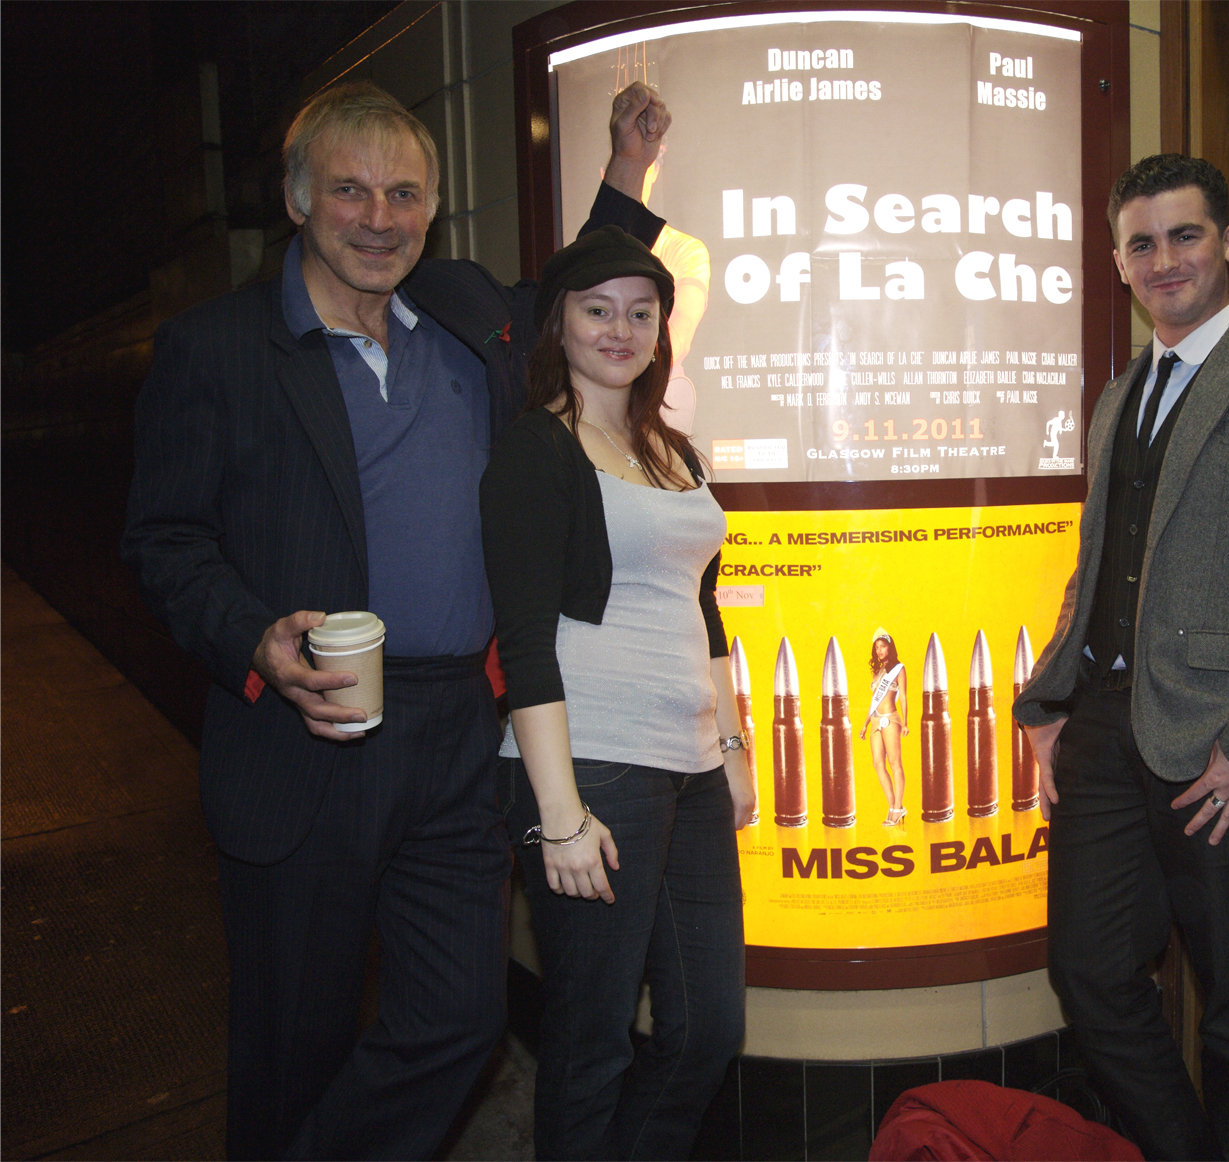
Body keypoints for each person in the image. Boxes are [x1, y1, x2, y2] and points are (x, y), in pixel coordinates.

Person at [121, 80, 671, 1159]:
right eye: (350, 191)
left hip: (457, 735)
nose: (379, 217)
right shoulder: (219, 350)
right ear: (295, 198)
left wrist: (627, 172)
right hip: (306, 737)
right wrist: (253, 639)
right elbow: (163, 539)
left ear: (432, 210)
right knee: (295, 1042)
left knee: (459, 1024)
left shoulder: (467, 314)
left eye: (404, 193)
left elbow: (576, 289)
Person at [1014, 154, 1229, 1160]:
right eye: (1140, 243)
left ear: (1227, 241)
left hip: (1221, 743)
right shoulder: (1123, 392)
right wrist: (1048, 693)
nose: (1162, 259)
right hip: (1103, 726)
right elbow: (1100, 564)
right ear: (1117, 262)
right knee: (1086, 971)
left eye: (1183, 235)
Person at [478, 225, 755, 1159]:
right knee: (591, 1044)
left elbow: (706, 609)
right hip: (591, 765)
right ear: (559, 320)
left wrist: (731, 743)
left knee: (708, 1029)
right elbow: (523, 642)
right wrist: (558, 815)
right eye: (598, 309)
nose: (620, 328)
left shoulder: (672, 448)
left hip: (688, 768)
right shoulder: (537, 448)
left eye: (641, 312)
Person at [859, 628, 909, 825]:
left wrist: (905, 722)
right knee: (878, 764)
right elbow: (873, 700)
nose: (879, 650)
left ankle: (898, 807)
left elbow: (903, 696)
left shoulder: (899, 669)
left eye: (883, 646)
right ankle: (893, 807)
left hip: (890, 718)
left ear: (890, 647)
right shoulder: (877, 671)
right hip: (875, 721)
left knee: (895, 763)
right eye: (877, 647)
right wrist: (864, 724)